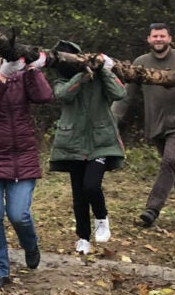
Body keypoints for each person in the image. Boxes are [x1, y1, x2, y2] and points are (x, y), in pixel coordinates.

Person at [0, 45, 53, 289]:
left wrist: (34, 70)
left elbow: (45, 97)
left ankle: (31, 245)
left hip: (22, 157)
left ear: (0, 56)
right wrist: (2, 76)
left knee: (19, 215)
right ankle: (0, 270)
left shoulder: (21, 77)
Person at [111, 23, 175, 228]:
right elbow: (126, 94)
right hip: (156, 124)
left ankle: (152, 209)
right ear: (149, 40)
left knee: (170, 161)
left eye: (162, 36)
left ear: (169, 39)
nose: (158, 39)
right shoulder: (141, 63)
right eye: (155, 36)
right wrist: (113, 118)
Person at [48, 41, 126, 255]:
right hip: (72, 142)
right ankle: (83, 237)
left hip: (100, 142)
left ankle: (102, 218)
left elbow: (120, 93)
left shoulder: (99, 76)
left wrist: (104, 69)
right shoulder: (61, 80)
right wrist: (82, 76)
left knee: (91, 185)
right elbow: (63, 94)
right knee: (79, 194)